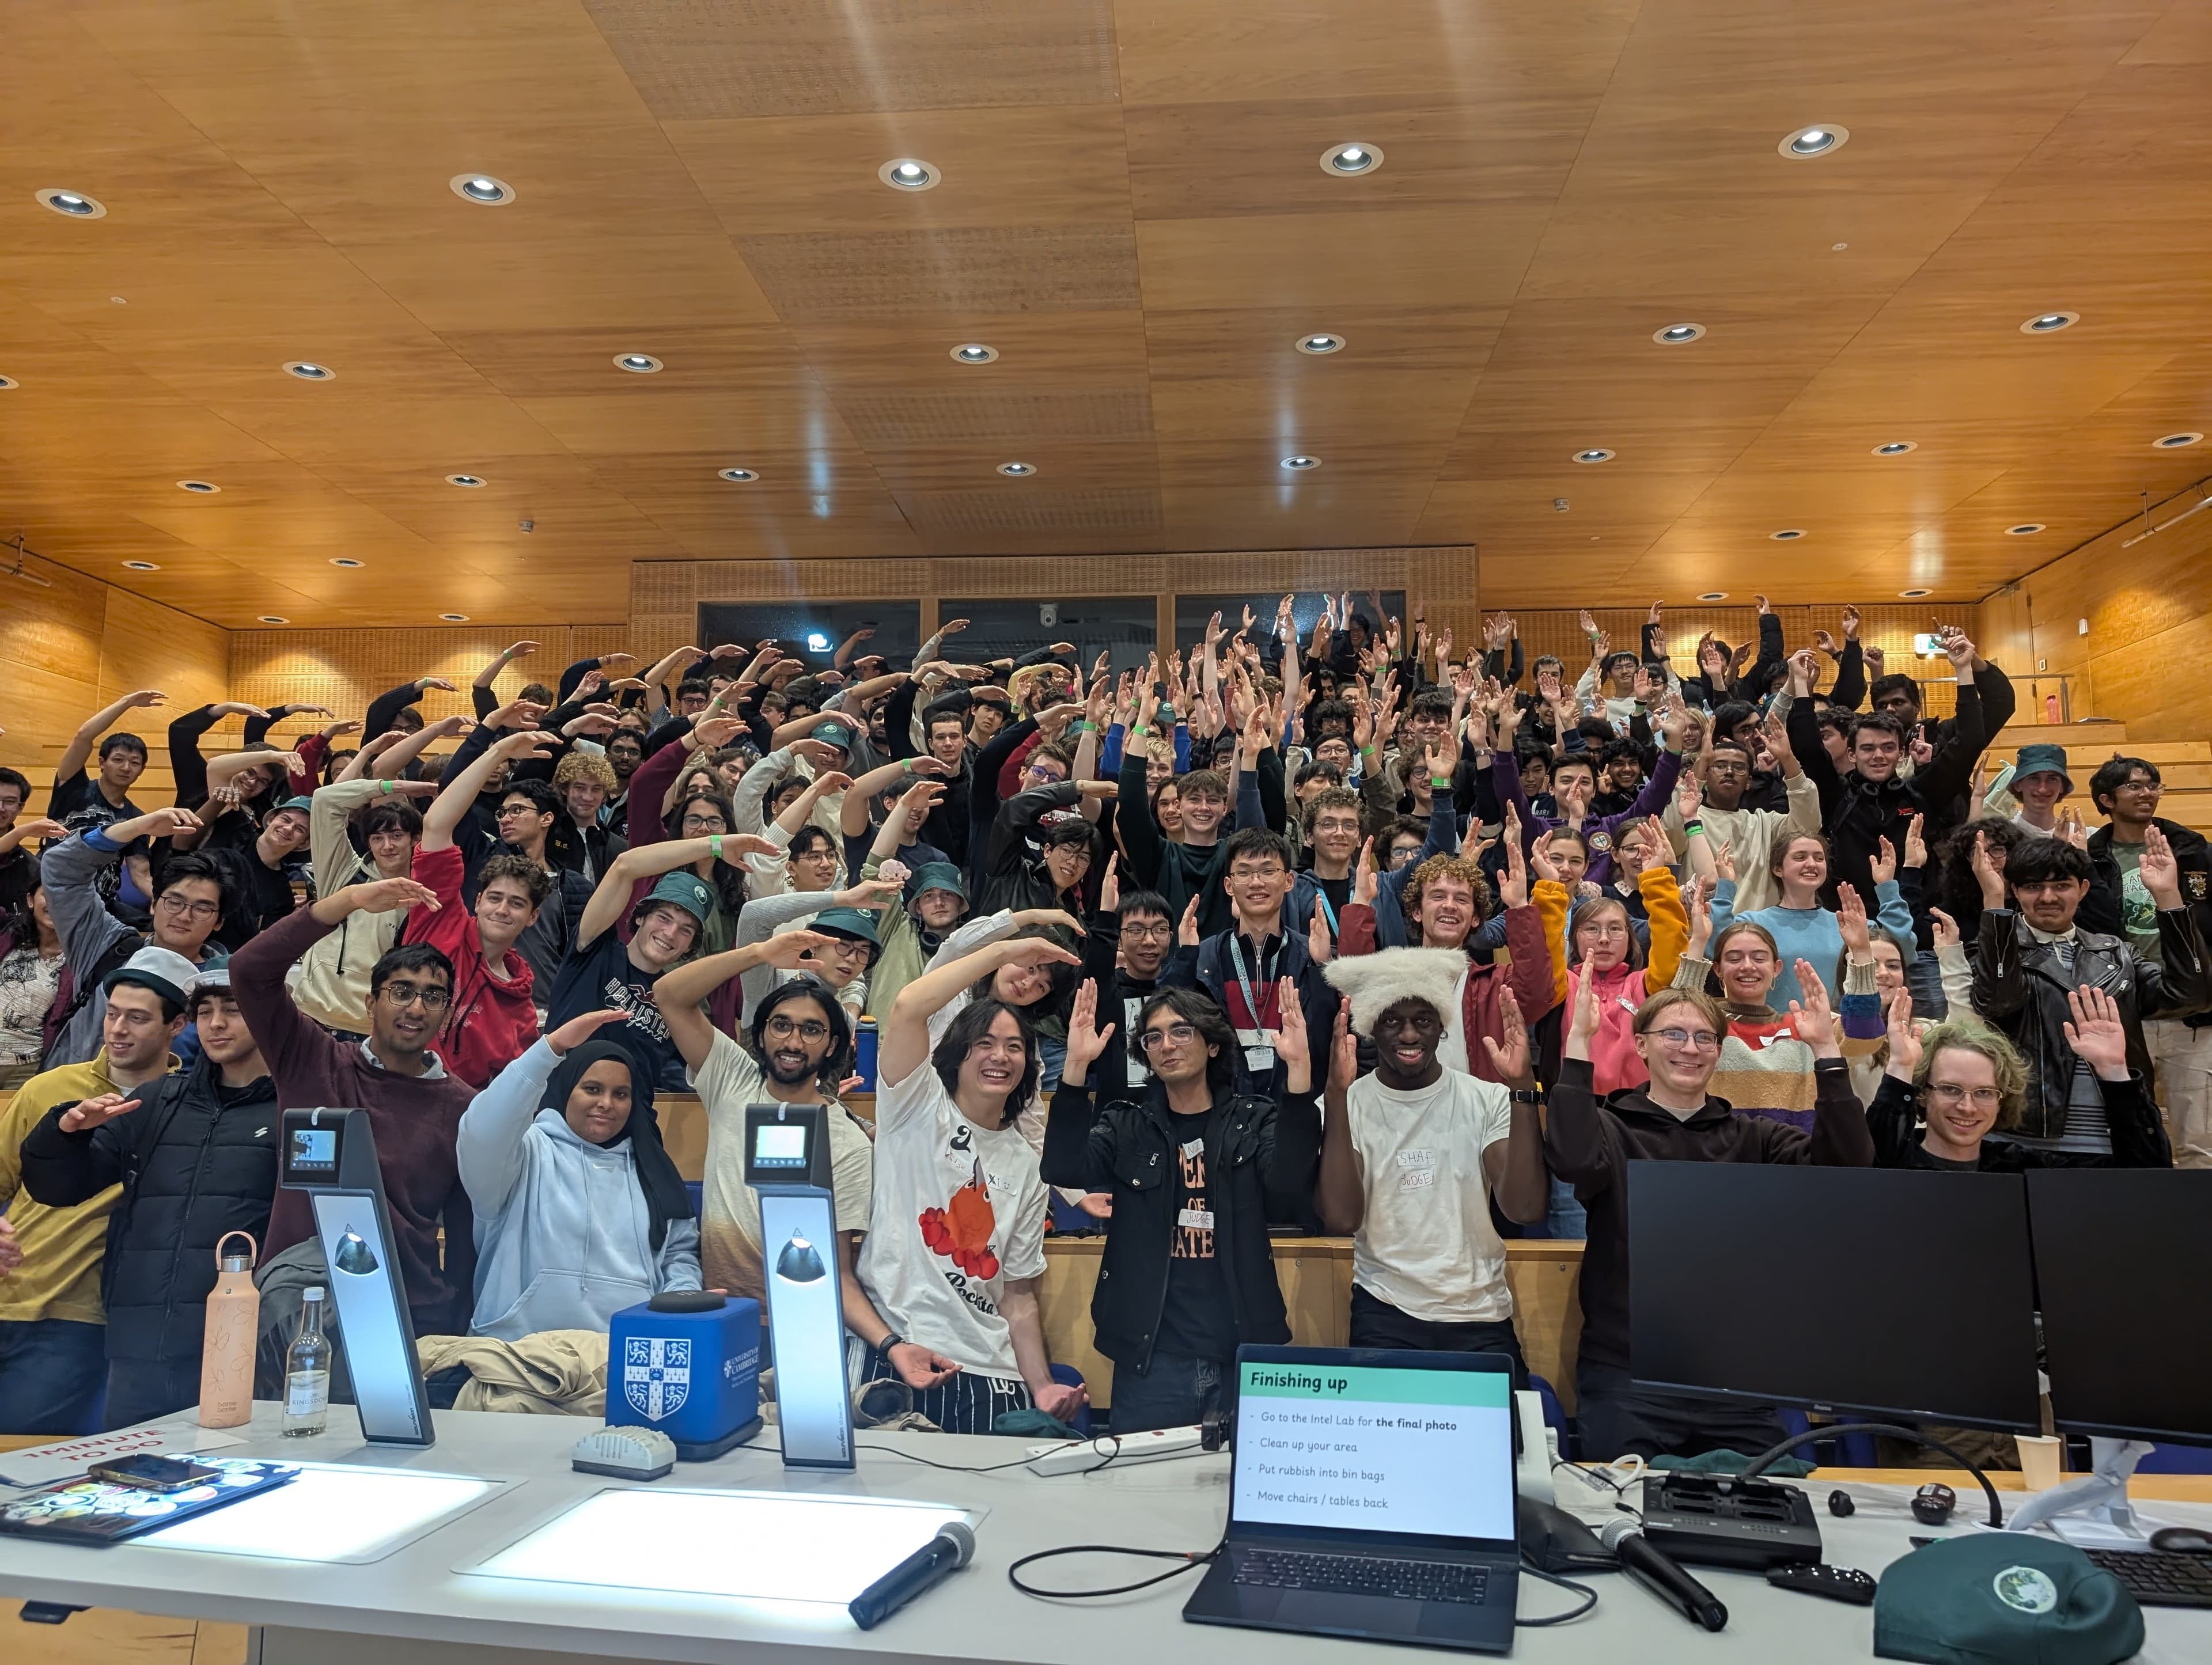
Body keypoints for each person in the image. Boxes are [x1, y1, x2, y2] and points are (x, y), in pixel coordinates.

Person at [1546, 968, 1874, 1461]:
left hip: (1735, 1381)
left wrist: (1827, 1053)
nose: (1690, 1048)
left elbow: (1847, 1167)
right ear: (1642, 1045)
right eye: (1673, 1034)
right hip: (1628, 1376)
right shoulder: (1610, 1131)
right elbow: (1569, 1156)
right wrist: (1578, 1043)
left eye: (1705, 1037)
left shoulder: (1755, 1138)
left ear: (1719, 1052)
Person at [1047, 980, 1320, 1432]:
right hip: (1151, 1362)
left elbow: (1290, 1183)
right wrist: (1075, 1069)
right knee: (1145, 1497)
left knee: (1233, 1498)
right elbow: (1064, 1167)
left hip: (1240, 1354)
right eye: (1154, 1036)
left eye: (1181, 1031)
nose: (1166, 1045)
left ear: (1213, 1044)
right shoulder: (1126, 1124)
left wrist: (1298, 1075)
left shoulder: (1253, 1119)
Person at [17, 967, 278, 1427]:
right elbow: (61, 1187)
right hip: (138, 1346)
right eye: (205, 1011)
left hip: (236, 1344)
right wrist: (64, 1134)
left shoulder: (293, 1109)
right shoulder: (158, 1100)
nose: (216, 1023)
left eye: (233, 1011)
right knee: (124, 1484)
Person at [855, 935, 1088, 1432]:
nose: (1000, 1056)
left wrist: (1042, 1384)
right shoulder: (914, 1107)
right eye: (984, 1043)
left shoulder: (1027, 1164)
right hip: (900, 1354)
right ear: (958, 1053)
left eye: (1014, 1046)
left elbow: (1018, 1295)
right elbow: (908, 1005)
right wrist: (1005, 952)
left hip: (992, 1374)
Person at [232, 877, 478, 1340]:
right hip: (295, 1308)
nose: (416, 1007)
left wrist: (450, 1330)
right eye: (401, 991)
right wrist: (346, 903)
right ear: (371, 1002)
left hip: (407, 1317)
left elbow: (466, 1239)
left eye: (433, 996)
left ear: (446, 1014)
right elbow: (249, 971)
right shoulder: (311, 1060)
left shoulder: (466, 1107)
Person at [1316, 951, 1547, 1379]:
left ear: (1442, 1027)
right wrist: (1335, 1098)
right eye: (1391, 1021)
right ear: (1370, 1030)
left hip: (1480, 1313)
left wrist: (1522, 1090)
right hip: (1384, 1315)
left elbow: (1525, 1208)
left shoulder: (1488, 1099)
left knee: (1500, 1445)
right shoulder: (1349, 1103)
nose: (1408, 1034)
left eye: (1423, 1020)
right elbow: (1342, 1217)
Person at [0, 946, 190, 1432]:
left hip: (77, 1315)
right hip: (9, 1287)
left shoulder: (186, 1107)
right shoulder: (49, 1086)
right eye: (113, 1013)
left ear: (177, 1026)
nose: (119, 1028)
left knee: (22, 1462)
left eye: (138, 1018)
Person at [654, 943, 880, 1314]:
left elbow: (840, 1271)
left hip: (800, 1324)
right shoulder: (733, 1079)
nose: (792, 1041)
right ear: (761, 1035)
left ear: (832, 1045)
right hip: (718, 1315)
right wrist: (758, 954)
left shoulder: (849, 1142)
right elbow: (669, 994)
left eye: (811, 1030)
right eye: (781, 1025)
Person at [456, 1008, 699, 1338]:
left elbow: (678, 1254)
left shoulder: (652, 1170)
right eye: (593, 1089)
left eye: (621, 1094)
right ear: (567, 1088)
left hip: (621, 1358)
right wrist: (550, 1048)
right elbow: (482, 1131)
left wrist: (679, 1303)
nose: (607, 1104)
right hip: (518, 1355)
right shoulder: (525, 1155)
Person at [1967, 830, 2211, 1157]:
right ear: (2015, 891)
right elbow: (1998, 1001)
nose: (2048, 897)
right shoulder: (1995, 951)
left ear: (2083, 889)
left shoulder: (2117, 954)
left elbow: (2190, 997)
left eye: (2061, 885)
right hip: (2020, 1140)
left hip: (2118, 1137)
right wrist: (1994, 906)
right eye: (2034, 886)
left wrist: (2168, 896)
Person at [544, 831, 771, 1090]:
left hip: (629, 1122)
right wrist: (714, 846)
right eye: (664, 918)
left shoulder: (675, 1001)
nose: (671, 933)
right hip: (558, 1111)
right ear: (641, 916)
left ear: (691, 945)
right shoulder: (594, 948)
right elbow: (625, 866)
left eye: (686, 930)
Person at [1868, 991, 2169, 1170]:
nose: (1968, 1107)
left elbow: (2146, 1173)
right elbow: (1874, 1154)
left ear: (2002, 1100)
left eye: (1985, 1092)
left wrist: (2115, 1071)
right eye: (1950, 1089)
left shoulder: (2024, 1170)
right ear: (1922, 1094)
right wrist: (1899, 1067)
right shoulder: (1897, 1161)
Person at [2085, 754, 2212, 1169]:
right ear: (2106, 799)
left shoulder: (2194, 851)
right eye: (2135, 786)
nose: (2147, 793)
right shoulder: (2092, 856)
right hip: (2127, 1011)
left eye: (2153, 785)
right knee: (2133, 1131)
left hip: (2192, 1015)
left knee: (2199, 1140)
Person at [409, 735, 553, 1088]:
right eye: (495, 898)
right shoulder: (440, 922)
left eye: (517, 903)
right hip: (391, 1093)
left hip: (461, 1120)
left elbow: (511, 1087)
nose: (502, 910)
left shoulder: (520, 1003)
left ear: (532, 917)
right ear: (477, 900)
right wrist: (498, 752)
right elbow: (437, 823)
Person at [43, 811, 228, 1068]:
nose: (185, 916)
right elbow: (61, 871)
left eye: (203, 908)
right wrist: (134, 828)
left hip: (177, 1104)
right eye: (174, 901)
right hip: (80, 1097)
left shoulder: (226, 982)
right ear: (154, 902)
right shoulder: (105, 945)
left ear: (219, 921)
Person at [1703, 829, 1916, 1015]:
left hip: (1840, 1037)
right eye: (1800, 857)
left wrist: (1888, 888)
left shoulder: (1848, 925)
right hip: (1776, 1037)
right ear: (1778, 869)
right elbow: (1714, 947)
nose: (1811, 864)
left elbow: (1902, 951)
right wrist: (1725, 888)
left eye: (1819, 858)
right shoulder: (1754, 923)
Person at [290, 775, 437, 1035]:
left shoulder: (426, 893)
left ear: (415, 839)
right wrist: (391, 786)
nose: (387, 846)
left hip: (372, 1029)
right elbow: (325, 800)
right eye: (377, 838)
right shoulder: (343, 872)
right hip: (310, 1017)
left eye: (396, 836)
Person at [1662, 720, 1821, 915]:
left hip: (1758, 933)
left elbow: (1808, 827)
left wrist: (1787, 759)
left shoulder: (1765, 823)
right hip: (1700, 932)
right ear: (1706, 775)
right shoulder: (1689, 819)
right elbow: (1670, 834)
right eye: (1719, 766)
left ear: (1749, 782)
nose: (1729, 772)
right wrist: (1702, 760)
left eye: (1739, 768)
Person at [51, 689, 164, 833]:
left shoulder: (136, 819)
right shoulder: (74, 787)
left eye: (135, 763)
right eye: (118, 760)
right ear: (102, 762)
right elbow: (83, 736)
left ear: (142, 770)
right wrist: (127, 702)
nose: (126, 768)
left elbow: (137, 857)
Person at [0, 862, 67, 1086]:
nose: (57, 902)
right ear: (30, 900)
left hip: (25, 1070)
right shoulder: (7, 934)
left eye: (66, 895)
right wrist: (20, 833)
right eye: (49, 894)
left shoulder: (82, 959)